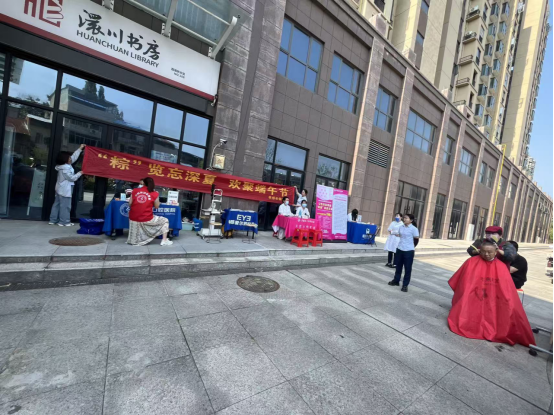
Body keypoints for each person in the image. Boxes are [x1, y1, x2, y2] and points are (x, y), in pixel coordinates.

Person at [447, 239, 535, 347]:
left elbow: (506, 289)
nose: (486, 254)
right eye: (483, 251)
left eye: (490, 252)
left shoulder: (502, 266)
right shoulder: (470, 262)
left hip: (495, 297)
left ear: (496, 252)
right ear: (480, 251)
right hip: (474, 294)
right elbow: (461, 282)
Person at [127, 177, 173, 246]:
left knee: (138, 215)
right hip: (146, 218)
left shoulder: (135, 190)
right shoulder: (154, 193)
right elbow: (156, 206)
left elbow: (130, 204)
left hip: (133, 217)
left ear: (143, 183)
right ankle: (164, 240)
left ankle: (134, 240)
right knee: (165, 220)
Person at [49, 144, 85, 226]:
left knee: (57, 204)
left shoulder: (63, 166)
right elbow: (72, 178)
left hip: (60, 188)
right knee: (65, 206)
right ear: (65, 159)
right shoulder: (66, 168)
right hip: (65, 189)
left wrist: (80, 149)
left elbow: (74, 157)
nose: (70, 159)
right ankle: (64, 222)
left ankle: (53, 220)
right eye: (69, 158)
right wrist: (80, 173)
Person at [388, 214, 419, 292]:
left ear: (411, 220)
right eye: (404, 218)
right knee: (398, 266)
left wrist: (411, 246)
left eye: (406, 218)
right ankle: (396, 280)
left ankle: (405, 285)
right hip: (400, 249)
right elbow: (399, 235)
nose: (404, 219)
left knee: (407, 268)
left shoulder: (414, 229)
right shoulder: (401, 227)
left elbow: (416, 239)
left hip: (408, 251)